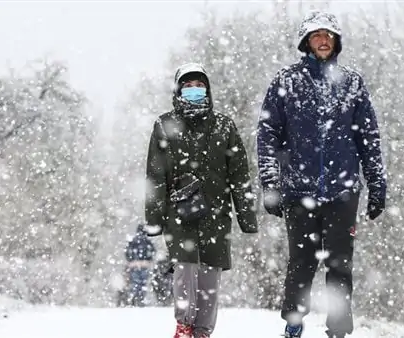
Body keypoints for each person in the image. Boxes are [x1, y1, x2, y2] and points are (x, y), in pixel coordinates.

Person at [257, 11, 387, 338]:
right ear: (306, 41)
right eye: (316, 35)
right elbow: (267, 133)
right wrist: (270, 182)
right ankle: (294, 323)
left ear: (337, 41)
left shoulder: (352, 83)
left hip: (343, 192)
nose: (323, 40)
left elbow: (368, 137)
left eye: (329, 35)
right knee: (301, 263)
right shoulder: (287, 81)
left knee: (340, 267)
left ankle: (339, 331)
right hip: (299, 191)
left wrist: (377, 183)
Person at [145, 62, 258, 338]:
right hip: (179, 213)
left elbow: (240, 174)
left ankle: (203, 332)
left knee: (209, 278)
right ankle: (183, 327)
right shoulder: (165, 125)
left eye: (199, 86)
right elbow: (156, 175)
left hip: (216, 216)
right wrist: (154, 219)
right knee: (185, 271)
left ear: (207, 90)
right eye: (188, 85)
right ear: (178, 90)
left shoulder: (224, 126)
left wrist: (247, 216)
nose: (194, 90)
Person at [124, 223, 156, 307]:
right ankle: (141, 299)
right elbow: (152, 252)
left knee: (135, 283)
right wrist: (148, 260)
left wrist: (131, 261)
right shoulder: (147, 241)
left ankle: (135, 299)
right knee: (143, 283)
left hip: (134, 265)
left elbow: (127, 253)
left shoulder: (133, 241)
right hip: (145, 265)